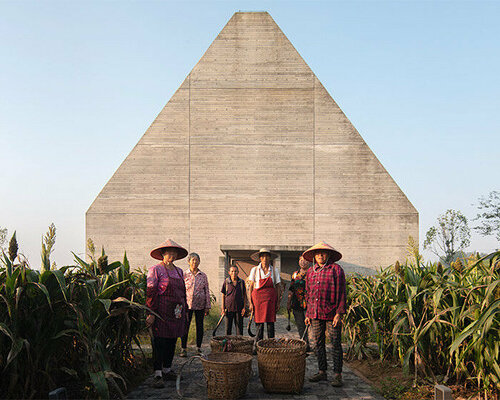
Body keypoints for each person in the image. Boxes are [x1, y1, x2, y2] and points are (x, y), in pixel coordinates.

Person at [146, 239, 188, 389]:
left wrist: (185, 311)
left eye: (174, 252)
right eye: (169, 252)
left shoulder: (179, 271)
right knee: (160, 342)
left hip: (177, 312)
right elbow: (151, 292)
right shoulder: (155, 270)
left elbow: (182, 293)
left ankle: (167, 369)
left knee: (172, 340)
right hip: (161, 311)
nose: (172, 254)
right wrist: (151, 313)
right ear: (163, 254)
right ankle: (157, 373)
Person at [303, 241, 346, 388]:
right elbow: (308, 294)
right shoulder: (310, 271)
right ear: (314, 256)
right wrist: (308, 314)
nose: (320, 255)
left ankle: (337, 375)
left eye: (323, 253)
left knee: (335, 343)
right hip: (315, 313)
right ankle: (322, 371)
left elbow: (342, 294)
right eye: (318, 253)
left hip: (331, 313)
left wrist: (339, 313)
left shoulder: (336, 270)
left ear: (328, 255)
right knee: (318, 343)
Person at [180, 252, 211, 357]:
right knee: (185, 326)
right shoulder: (184, 274)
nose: (195, 262)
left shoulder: (203, 276)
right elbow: (180, 290)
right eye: (193, 260)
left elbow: (206, 291)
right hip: (187, 305)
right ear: (188, 262)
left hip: (200, 305)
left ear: (199, 262)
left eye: (197, 260)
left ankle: (198, 348)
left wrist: (207, 306)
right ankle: (183, 348)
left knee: (200, 326)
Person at [248, 248, 281, 342]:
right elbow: (250, 287)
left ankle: (271, 345)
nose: (265, 258)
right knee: (259, 324)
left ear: (270, 258)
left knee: (270, 324)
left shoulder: (274, 270)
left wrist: (278, 302)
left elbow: (278, 287)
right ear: (260, 258)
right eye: (262, 256)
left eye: (267, 256)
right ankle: (258, 345)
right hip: (258, 301)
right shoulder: (254, 270)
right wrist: (250, 302)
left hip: (270, 300)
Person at [287, 255, 312, 350]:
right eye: (301, 260)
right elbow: (291, 289)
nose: (303, 262)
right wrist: (288, 302)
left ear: (309, 262)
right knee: (300, 325)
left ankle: (314, 343)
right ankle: (306, 344)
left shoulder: (311, 273)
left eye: (305, 260)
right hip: (296, 303)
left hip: (308, 304)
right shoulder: (295, 274)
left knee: (310, 325)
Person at [221, 264, 247, 335]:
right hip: (228, 309)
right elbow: (223, 295)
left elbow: (244, 296)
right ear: (229, 272)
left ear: (238, 272)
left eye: (235, 271)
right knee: (228, 330)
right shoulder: (226, 282)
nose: (234, 273)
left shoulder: (241, 282)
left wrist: (244, 307)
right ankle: (228, 345)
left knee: (239, 330)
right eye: (232, 271)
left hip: (239, 309)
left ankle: (239, 345)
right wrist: (223, 308)